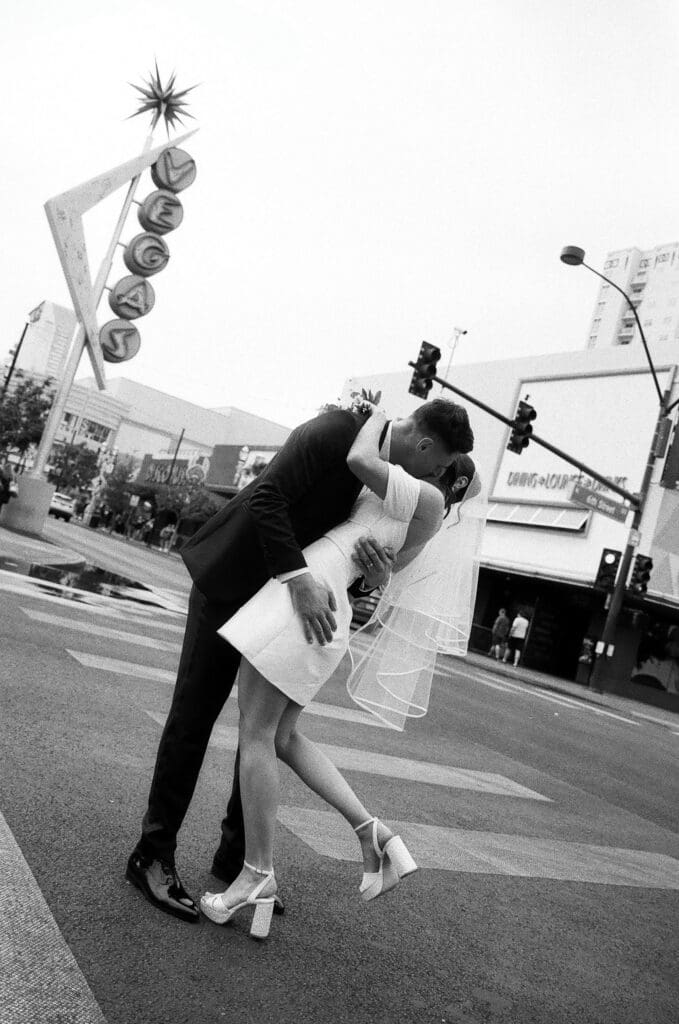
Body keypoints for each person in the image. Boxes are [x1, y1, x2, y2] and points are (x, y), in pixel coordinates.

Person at [126, 397, 474, 924]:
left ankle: (237, 862)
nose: (438, 474)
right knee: (195, 722)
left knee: (260, 732)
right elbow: (266, 498)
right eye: (441, 464)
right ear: (426, 443)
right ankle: (152, 856)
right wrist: (300, 579)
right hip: (236, 580)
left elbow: (363, 546)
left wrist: (372, 573)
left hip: (288, 597)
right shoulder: (337, 432)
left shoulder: (393, 477)